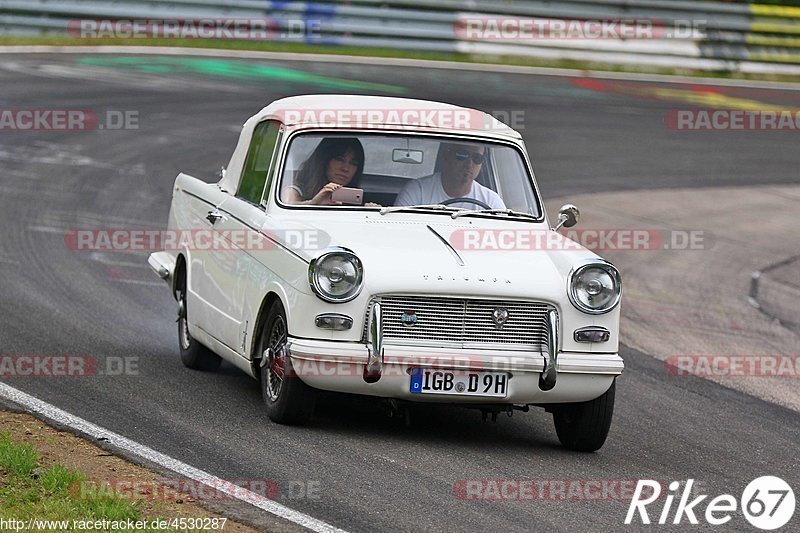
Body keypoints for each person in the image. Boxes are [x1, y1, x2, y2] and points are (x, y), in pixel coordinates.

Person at [394, 143, 506, 210]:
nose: (469, 163)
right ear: (447, 155)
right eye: (462, 155)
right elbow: (398, 231)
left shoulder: (491, 202)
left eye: (477, 158)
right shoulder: (417, 192)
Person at [283, 137, 365, 205]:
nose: (346, 168)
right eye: (339, 159)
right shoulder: (297, 186)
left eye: (353, 163)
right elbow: (288, 203)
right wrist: (313, 203)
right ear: (324, 160)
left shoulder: (354, 197)